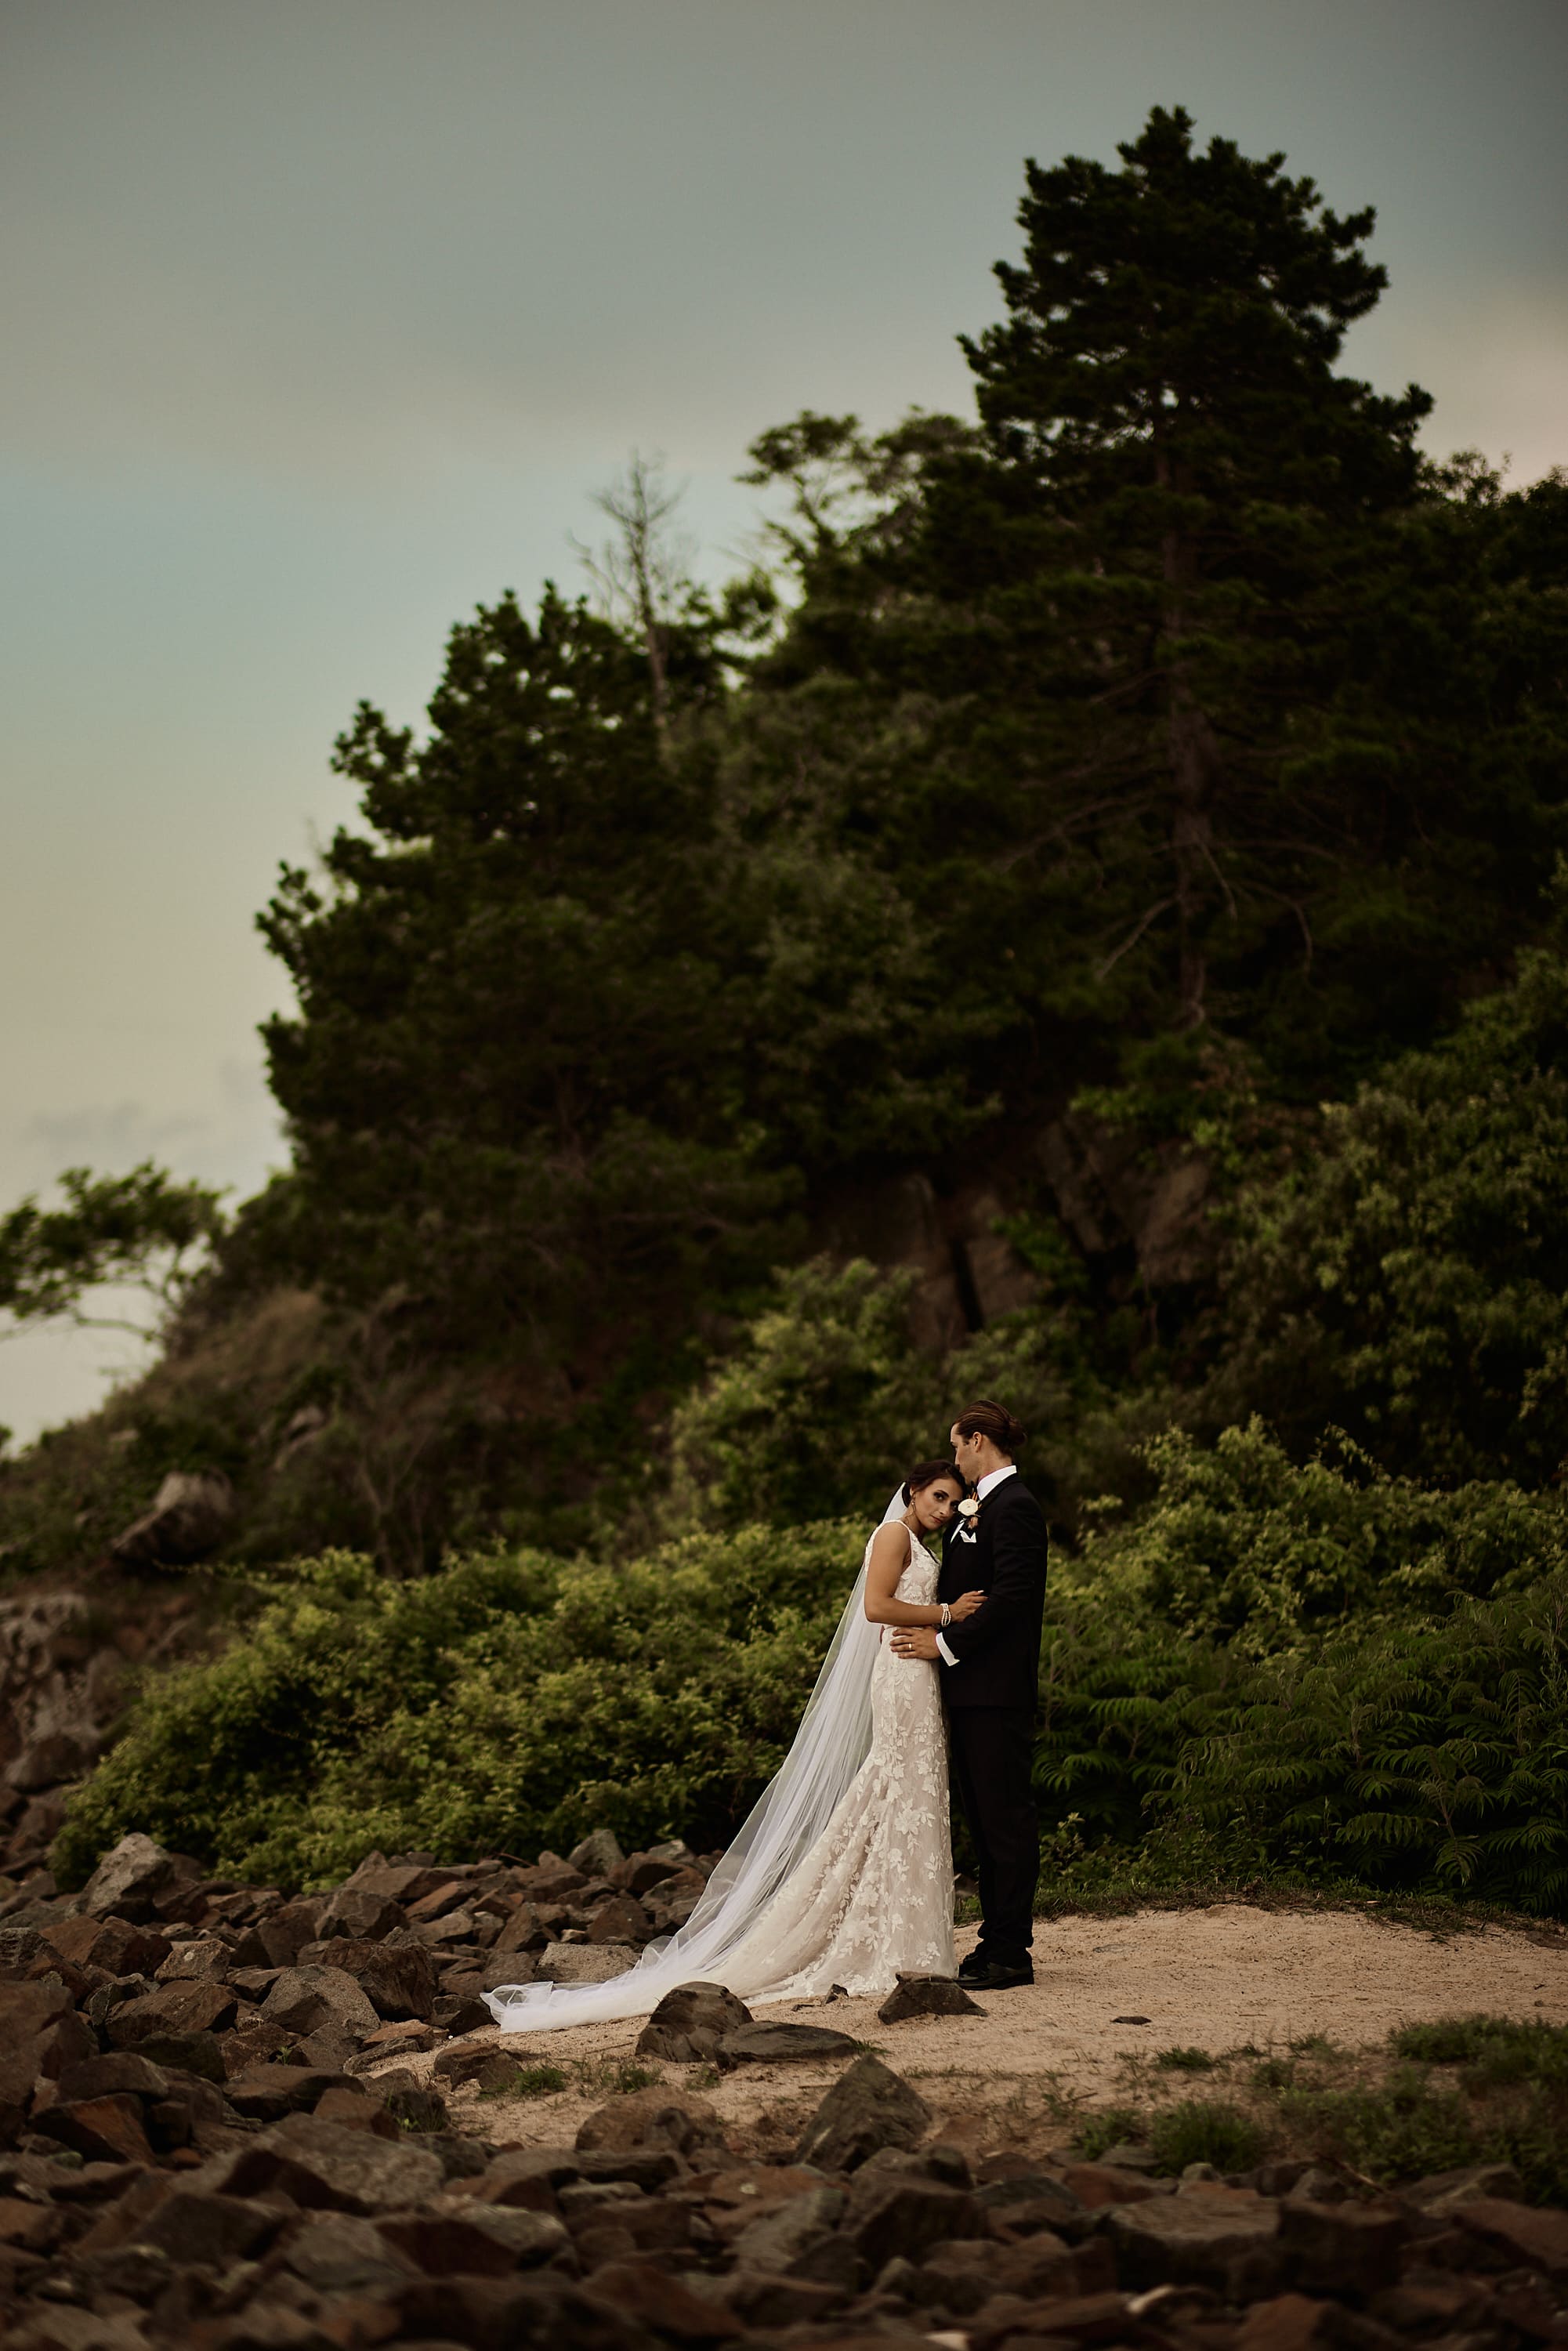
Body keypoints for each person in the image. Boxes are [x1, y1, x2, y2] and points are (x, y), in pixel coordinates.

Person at [484, 1459, 980, 2031]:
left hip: (915, 1674)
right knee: (898, 1788)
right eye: (938, 1497)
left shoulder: (917, 1541)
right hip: (898, 1675)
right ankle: (886, 1937)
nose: (944, 1510)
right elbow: (876, 1607)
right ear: (913, 1491)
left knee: (905, 1796)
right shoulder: (893, 1533)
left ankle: (902, 1932)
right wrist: (947, 1613)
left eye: (953, 1502)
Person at [890, 1399, 1048, 1990]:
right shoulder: (976, 1507)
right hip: (969, 1689)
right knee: (984, 1822)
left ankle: (1012, 1953)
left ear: (977, 1440)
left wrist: (942, 1645)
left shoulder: (1017, 1508)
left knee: (1005, 1820)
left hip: (995, 1689)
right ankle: (992, 1943)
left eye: (956, 1444)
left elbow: (1010, 1601)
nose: (953, 1456)